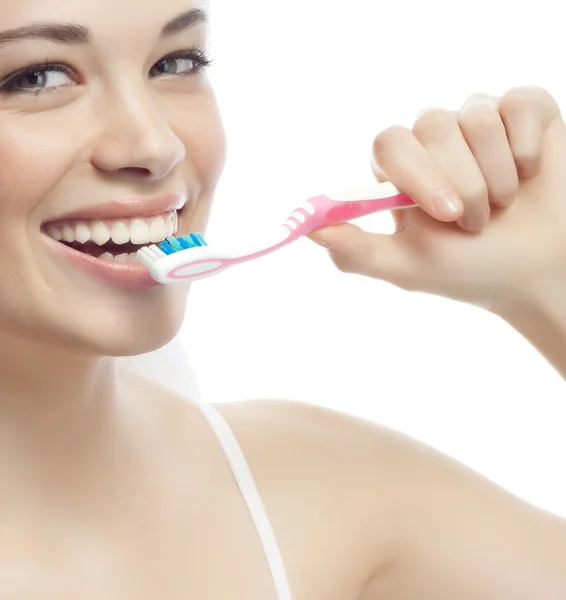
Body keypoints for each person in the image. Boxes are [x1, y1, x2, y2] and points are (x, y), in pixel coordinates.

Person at [0, 0, 564, 598]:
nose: (154, 144)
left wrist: (550, 282)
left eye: (175, 62)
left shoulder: (329, 498)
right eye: (36, 77)